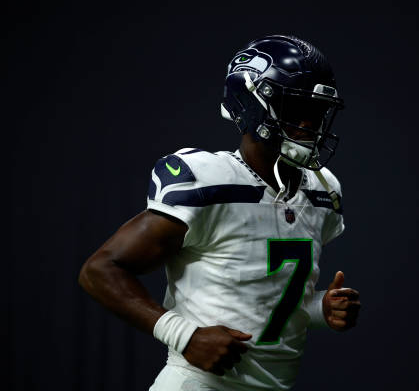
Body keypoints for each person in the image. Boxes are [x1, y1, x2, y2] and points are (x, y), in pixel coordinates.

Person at [78, 34, 361, 391]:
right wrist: (183, 335)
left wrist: (321, 308)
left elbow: (262, 296)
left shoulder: (321, 189)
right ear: (252, 103)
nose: (311, 125)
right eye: (297, 110)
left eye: (318, 112)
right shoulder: (209, 182)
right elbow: (99, 270)